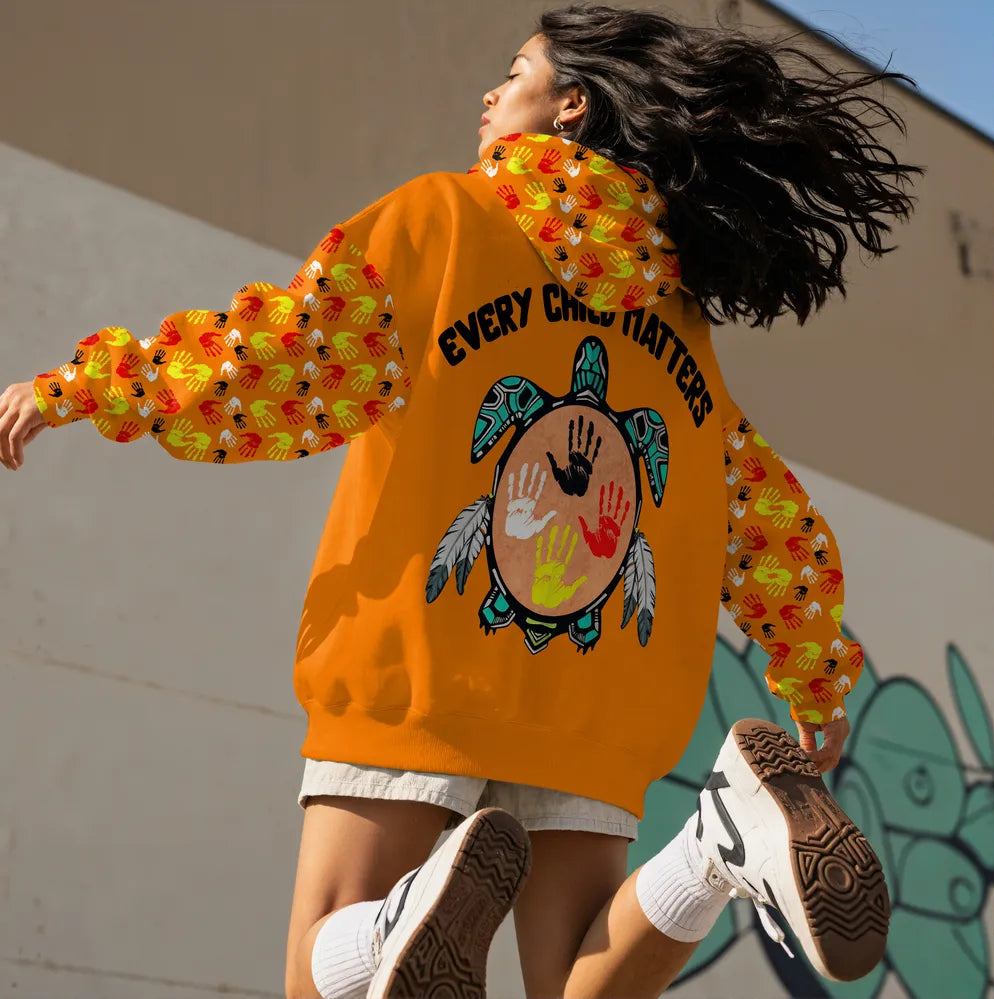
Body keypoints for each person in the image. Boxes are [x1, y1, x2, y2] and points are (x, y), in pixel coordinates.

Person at [0, 4, 923, 998]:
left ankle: (399, 918)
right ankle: (710, 847)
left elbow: (284, 363)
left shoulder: (442, 221)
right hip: (593, 703)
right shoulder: (675, 314)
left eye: (514, 72)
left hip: (425, 672)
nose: (489, 93)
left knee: (323, 962)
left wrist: (92, 386)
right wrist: (816, 672)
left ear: (571, 106)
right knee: (577, 978)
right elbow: (759, 513)